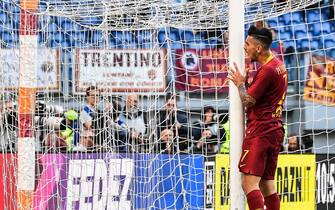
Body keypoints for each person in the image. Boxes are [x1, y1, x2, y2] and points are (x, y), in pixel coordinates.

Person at [228, 25, 288, 210]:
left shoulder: (268, 70)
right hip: (275, 129)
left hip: (260, 131)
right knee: (267, 185)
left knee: (248, 184)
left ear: (258, 48)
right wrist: (246, 84)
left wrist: (239, 84)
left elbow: (248, 100)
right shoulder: (278, 65)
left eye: (247, 44)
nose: (245, 47)